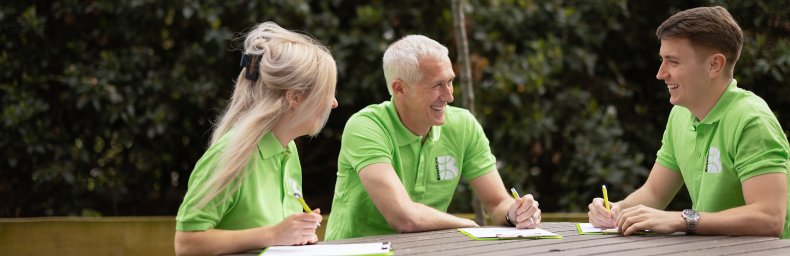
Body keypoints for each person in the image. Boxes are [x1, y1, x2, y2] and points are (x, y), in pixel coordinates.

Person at [587, 6, 790, 240]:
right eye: (662, 60)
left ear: (714, 65)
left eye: (673, 62)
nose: (660, 73)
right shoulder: (680, 115)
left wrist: (683, 219)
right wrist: (618, 210)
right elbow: (655, 192)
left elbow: (770, 219)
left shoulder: (752, 121)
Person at [324, 35, 541, 241]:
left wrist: (514, 213)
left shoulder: (463, 125)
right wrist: (467, 225)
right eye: (437, 85)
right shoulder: (366, 126)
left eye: (450, 81)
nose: (449, 95)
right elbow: (404, 218)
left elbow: (496, 204)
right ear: (399, 89)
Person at [173, 22, 339, 256]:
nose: (333, 103)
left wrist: (296, 236)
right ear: (295, 97)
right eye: (326, 92)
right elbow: (186, 244)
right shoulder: (231, 154)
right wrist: (273, 234)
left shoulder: (287, 150)